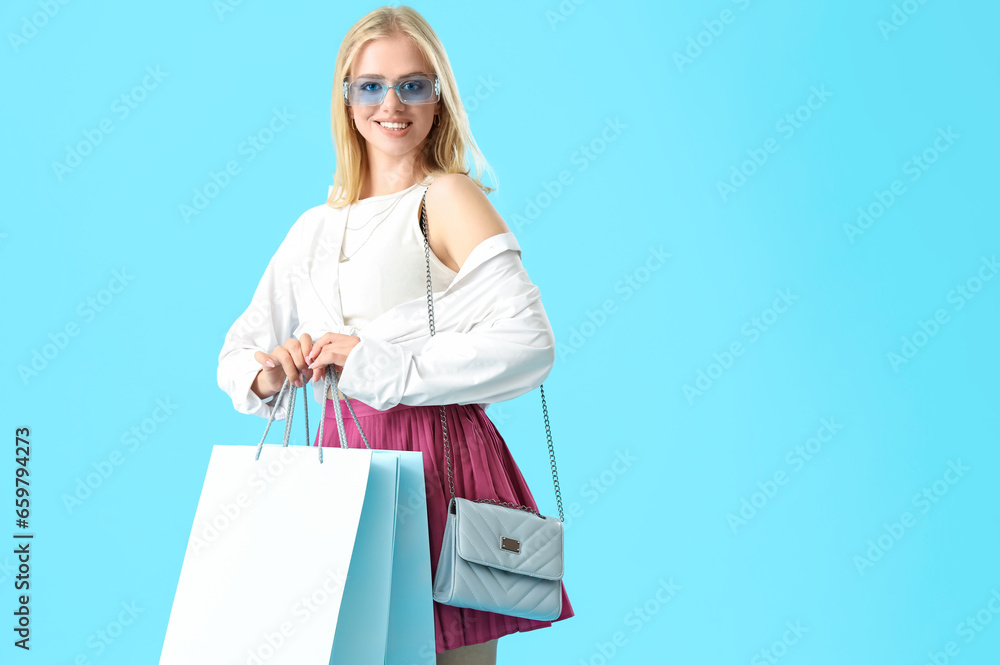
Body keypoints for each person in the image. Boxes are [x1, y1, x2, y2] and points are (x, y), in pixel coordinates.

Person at [216, 6, 574, 663]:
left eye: (414, 84)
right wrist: (277, 368)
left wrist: (378, 363)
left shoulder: (449, 197)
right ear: (347, 98)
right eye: (372, 85)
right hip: (341, 461)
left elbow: (531, 343)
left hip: (439, 462)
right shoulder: (313, 229)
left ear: (439, 98)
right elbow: (240, 356)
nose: (392, 103)